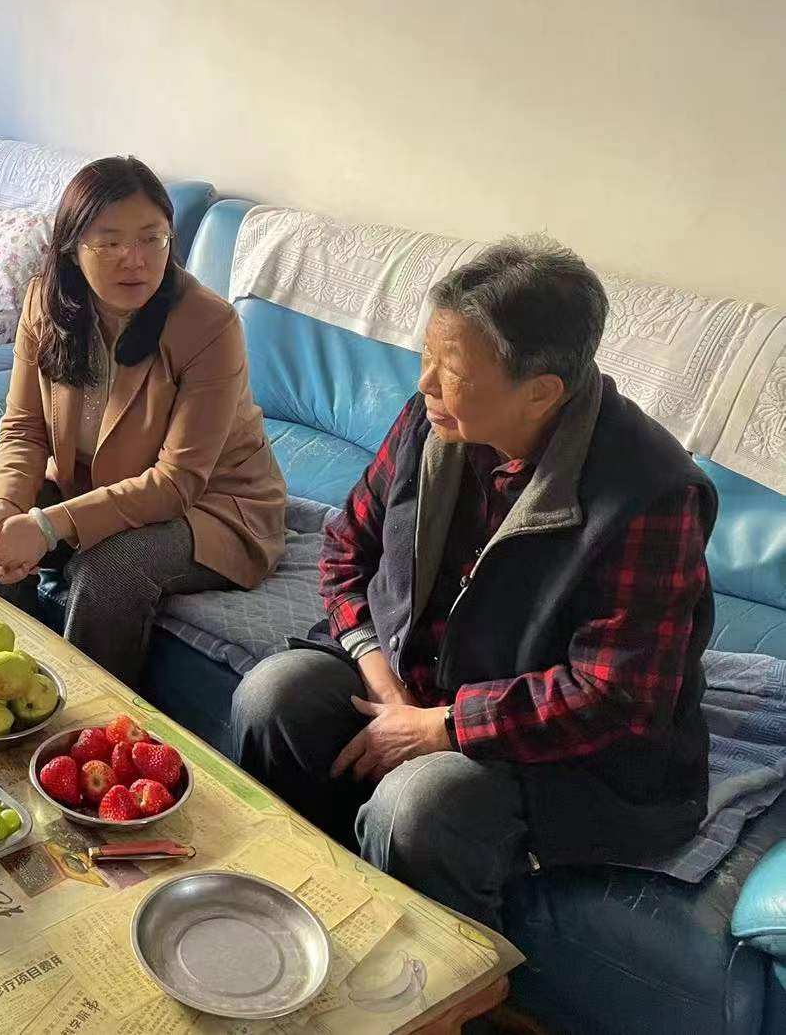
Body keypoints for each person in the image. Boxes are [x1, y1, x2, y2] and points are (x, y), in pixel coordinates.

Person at [232, 237, 715, 928]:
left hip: (557, 747)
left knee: (417, 808)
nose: (424, 382)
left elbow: (616, 696)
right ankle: (296, 907)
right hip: (410, 677)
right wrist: (383, 683)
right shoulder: (433, 420)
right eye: (426, 356)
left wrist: (443, 726)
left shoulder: (649, 495)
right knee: (272, 698)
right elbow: (346, 548)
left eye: (451, 370)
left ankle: (430, 974)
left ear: (540, 392)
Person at [0, 156, 287, 684]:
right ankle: (2, 692)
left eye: (152, 239)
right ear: (72, 247)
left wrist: (46, 526)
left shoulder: (208, 324)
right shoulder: (45, 300)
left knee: (107, 570)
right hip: (91, 484)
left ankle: (92, 717)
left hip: (211, 505)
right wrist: (8, 505)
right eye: (109, 243)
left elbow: (177, 482)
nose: (135, 261)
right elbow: (24, 427)